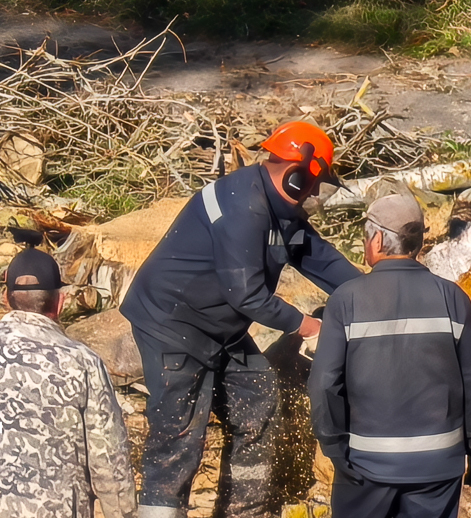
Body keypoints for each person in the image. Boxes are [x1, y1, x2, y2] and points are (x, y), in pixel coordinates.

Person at [120, 121, 362, 518]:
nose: (317, 192)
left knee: (258, 395)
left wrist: (374, 294)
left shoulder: (279, 208)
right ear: (298, 173)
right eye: (316, 182)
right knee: (179, 432)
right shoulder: (243, 207)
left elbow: (318, 257)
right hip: (173, 324)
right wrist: (306, 325)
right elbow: (246, 293)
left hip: (219, 326)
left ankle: (242, 510)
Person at [309, 194, 471, 518]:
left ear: (377, 239)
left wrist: (334, 448)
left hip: (364, 466)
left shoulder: (346, 300)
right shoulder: (453, 297)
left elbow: (324, 383)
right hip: (438, 467)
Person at [0, 246, 137, 518]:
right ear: (60, 302)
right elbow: (109, 459)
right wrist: (122, 513)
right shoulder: (82, 362)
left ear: (7, 299)